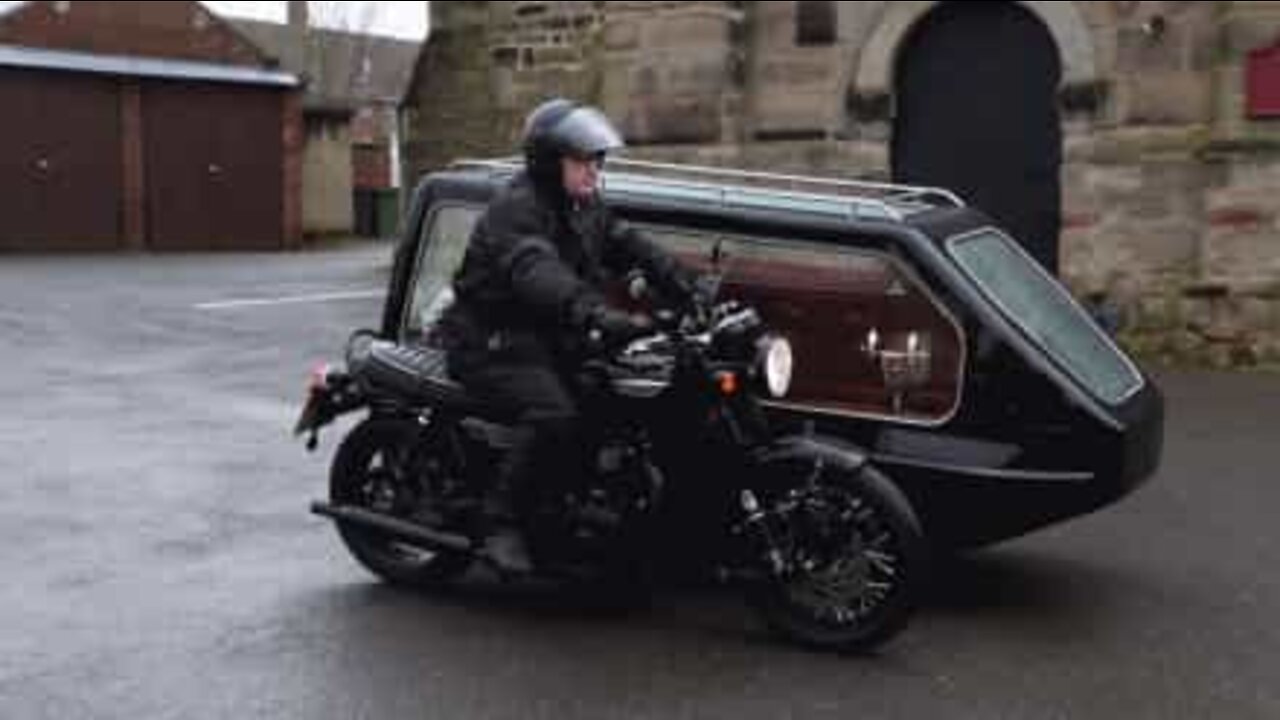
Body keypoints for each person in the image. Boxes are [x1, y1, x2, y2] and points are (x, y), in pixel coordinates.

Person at [439, 99, 702, 571]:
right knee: (554, 411)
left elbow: (628, 242)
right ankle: (500, 521)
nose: (594, 170)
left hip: (543, 336)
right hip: (491, 340)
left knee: (605, 395)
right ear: (548, 161)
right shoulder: (517, 212)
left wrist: (685, 285)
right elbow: (541, 277)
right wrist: (599, 315)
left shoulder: (583, 205)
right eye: (583, 160)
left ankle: (576, 503)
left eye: (598, 160)